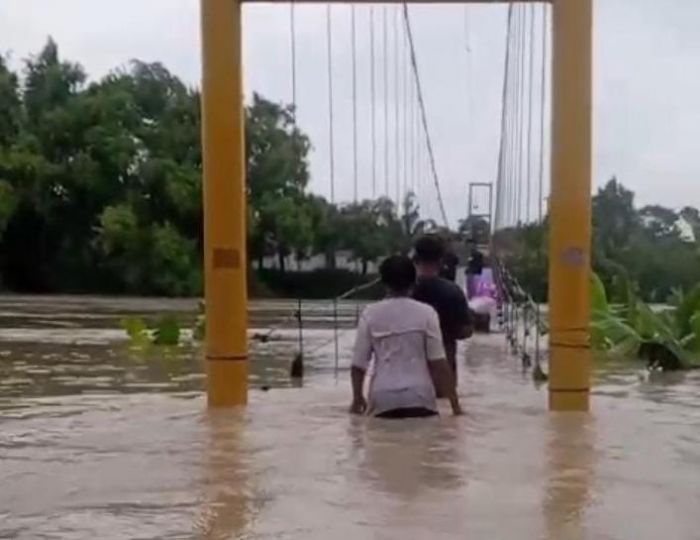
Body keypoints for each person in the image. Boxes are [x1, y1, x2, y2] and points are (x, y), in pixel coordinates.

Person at [350, 255, 463, 418]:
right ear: (414, 281)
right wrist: (455, 406)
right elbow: (438, 363)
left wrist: (357, 399)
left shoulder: (370, 314)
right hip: (420, 398)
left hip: (383, 399)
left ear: (383, 282)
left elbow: (358, 365)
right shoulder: (427, 313)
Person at [412, 235, 473, 386]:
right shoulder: (453, 291)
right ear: (441, 261)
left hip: (408, 380)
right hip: (443, 378)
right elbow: (465, 332)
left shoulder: (402, 292)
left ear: (415, 259)